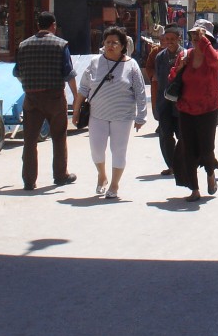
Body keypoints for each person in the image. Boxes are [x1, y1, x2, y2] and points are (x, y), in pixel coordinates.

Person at [71, 25, 147, 199]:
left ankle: (114, 184)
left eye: (115, 42)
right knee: (97, 150)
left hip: (123, 116)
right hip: (97, 115)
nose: (111, 45)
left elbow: (140, 92)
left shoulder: (132, 65)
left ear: (122, 46)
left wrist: (141, 116)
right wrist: (76, 112)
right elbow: (83, 88)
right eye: (108, 42)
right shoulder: (95, 63)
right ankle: (102, 175)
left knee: (118, 150)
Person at [12, 11, 79, 191]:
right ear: (53, 25)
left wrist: (29, 85)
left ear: (37, 26)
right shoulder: (60, 44)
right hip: (55, 97)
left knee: (30, 140)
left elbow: (17, 73)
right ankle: (60, 175)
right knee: (58, 137)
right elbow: (68, 73)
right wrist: (76, 96)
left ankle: (29, 180)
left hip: (31, 98)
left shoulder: (24, 45)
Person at [169, 19, 218, 201]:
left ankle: (210, 173)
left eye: (199, 36)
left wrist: (204, 42)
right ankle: (194, 189)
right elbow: (172, 77)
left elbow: (215, 63)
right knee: (188, 149)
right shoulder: (185, 56)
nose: (195, 39)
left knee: (207, 148)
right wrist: (180, 66)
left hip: (208, 108)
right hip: (186, 108)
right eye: (193, 36)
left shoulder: (215, 55)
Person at [148, 24, 183, 175]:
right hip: (164, 103)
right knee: (165, 135)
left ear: (178, 39)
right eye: (166, 39)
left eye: (172, 39)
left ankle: (184, 163)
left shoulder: (186, 55)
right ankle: (172, 165)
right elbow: (157, 78)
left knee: (182, 136)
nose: (169, 42)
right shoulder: (159, 57)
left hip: (182, 103)